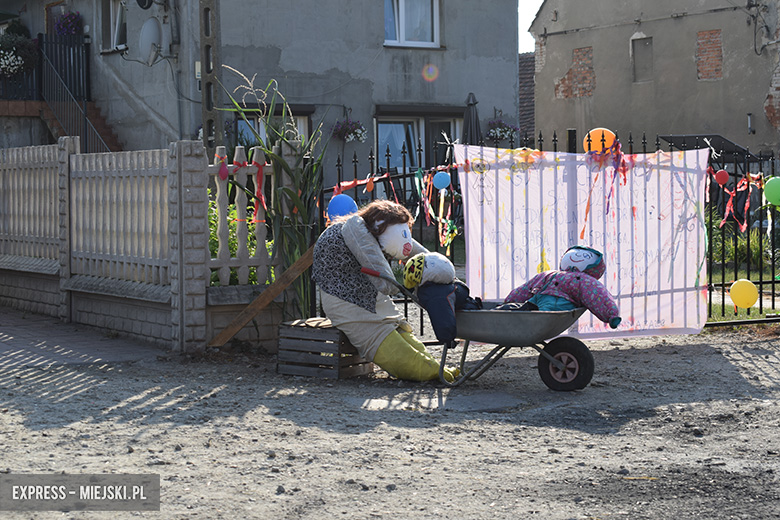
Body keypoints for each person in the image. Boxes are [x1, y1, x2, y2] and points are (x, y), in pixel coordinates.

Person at [312, 199, 459, 382]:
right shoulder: (355, 228)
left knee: (399, 331)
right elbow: (383, 278)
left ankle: (434, 367)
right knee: (384, 342)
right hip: (344, 299)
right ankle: (432, 371)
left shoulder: (375, 228)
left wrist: (443, 271)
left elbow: (414, 251)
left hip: (370, 294)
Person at [502, 245, 622, 329]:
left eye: (585, 256)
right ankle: (500, 312)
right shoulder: (550, 274)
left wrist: (611, 315)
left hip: (559, 302)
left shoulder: (584, 280)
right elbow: (528, 287)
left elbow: (598, 296)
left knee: (541, 315)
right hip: (536, 299)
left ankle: (507, 319)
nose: (576, 256)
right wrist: (511, 299)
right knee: (516, 308)